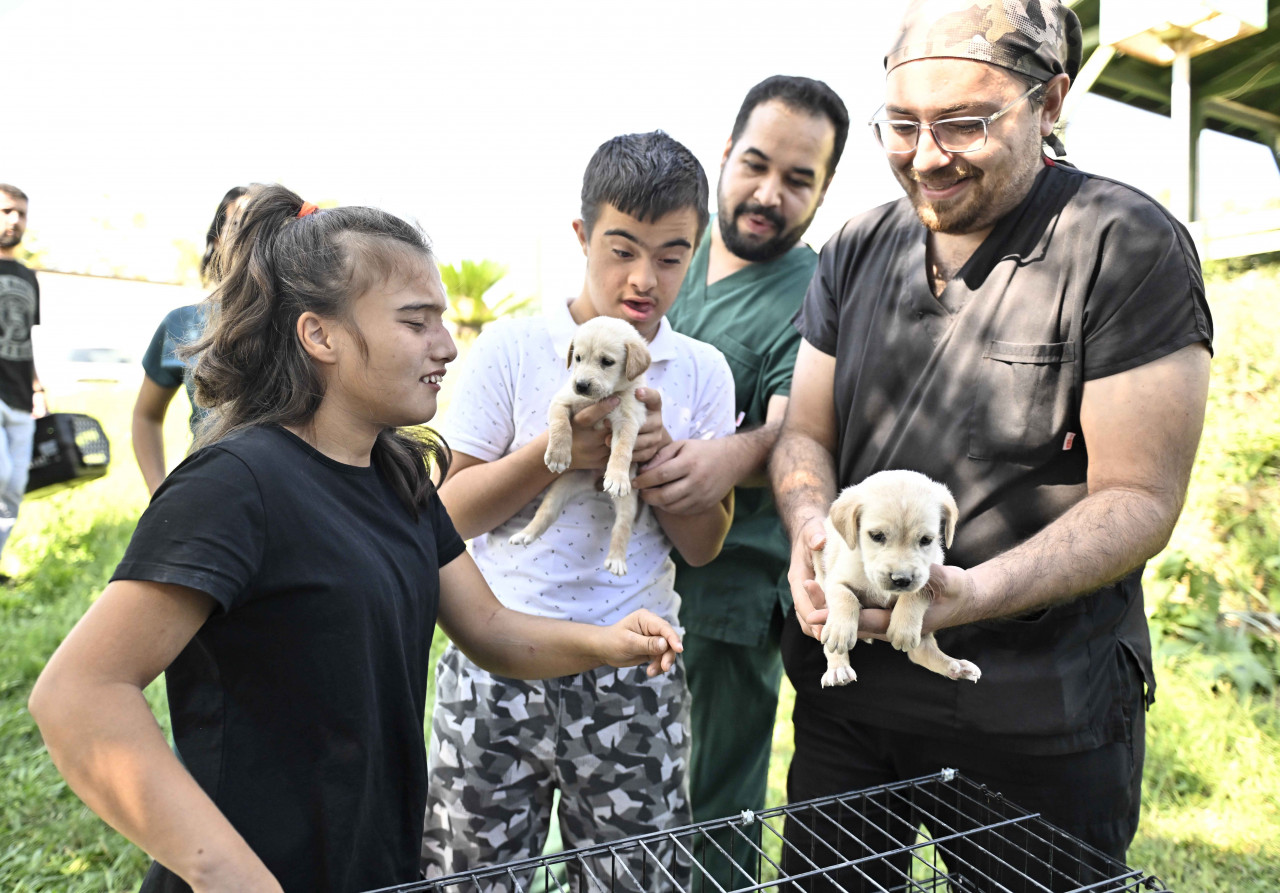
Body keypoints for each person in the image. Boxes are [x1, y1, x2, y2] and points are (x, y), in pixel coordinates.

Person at [28, 183, 685, 893]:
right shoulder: (235, 485)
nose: (447, 346)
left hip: (372, 862)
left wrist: (611, 642)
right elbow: (78, 694)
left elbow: (489, 628)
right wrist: (233, 875)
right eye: (417, 321)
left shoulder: (396, 473)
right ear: (320, 335)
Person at [769, 1, 1213, 888]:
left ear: (1049, 102)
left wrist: (968, 594)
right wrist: (811, 531)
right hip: (853, 705)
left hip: (1037, 710)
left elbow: (1139, 497)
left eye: (964, 123)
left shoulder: (1123, 245)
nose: (926, 156)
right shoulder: (857, 247)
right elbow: (805, 433)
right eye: (901, 125)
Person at [421, 131, 737, 892]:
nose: (644, 278)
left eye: (671, 254)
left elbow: (705, 544)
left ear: (696, 251)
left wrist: (658, 461)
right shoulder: (514, 347)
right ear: (582, 235)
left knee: (640, 878)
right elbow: (447, 515)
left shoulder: (701, 371)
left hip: (633, 664)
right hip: (498, 659)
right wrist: (555, 454)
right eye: (622, 247)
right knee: (470, 876)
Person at [629, 75, 848, 888]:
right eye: (756, 164)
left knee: (713, 799)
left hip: (726, 593)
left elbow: (798, 423)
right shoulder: (666, 263)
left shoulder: (817, 292)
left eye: (799, 180)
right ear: (725, 155)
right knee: (620, 784)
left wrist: (729, 456)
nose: (768, 194)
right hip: (617, 583)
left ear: (824, 191)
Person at [132, 185, 248, 495]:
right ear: (217, 238)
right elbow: (146, 416)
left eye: (264, 224)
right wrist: (159, 494)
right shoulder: (182, 324)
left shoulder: (306, 324)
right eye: (239, 224)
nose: (253, 235)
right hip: (206, 496)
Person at [0, 183, 46, 580]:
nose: (13, 220)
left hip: (18, 395)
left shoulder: (28, 277)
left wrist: (37, 388)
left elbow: (26, 339)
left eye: (20, 213)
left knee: (14, 486)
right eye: (5, 211)